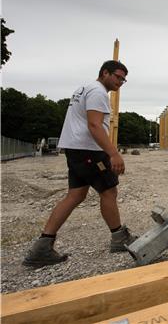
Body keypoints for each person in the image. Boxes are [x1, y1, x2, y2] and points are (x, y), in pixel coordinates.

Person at [23, 60, 137, 267]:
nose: (121, 81)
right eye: (118, 77)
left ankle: (42, 246)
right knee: (109, 191)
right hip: (89, 150)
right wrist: (113, 153)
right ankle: (119, 238)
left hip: (76, 149)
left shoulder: (84, 89)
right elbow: (94, 125)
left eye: (124, 79)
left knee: (76, 195)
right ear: (105, 73)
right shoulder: (98, 92)